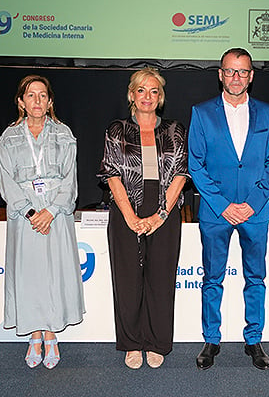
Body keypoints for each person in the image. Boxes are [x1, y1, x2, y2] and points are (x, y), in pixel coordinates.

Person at [188, 48, 269, 370]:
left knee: (255, 278)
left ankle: (254, 340)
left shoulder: (268, 113)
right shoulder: (201, 113)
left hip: (255, 213)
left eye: (242, 71)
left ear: (251, 76)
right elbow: (196, 165)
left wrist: (252, 203)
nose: (236, 77)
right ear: (220, 74)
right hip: (216, 213)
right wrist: (223, 205)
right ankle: (211, 340)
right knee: (212, 278)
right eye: (230, 71)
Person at [99, 68, 188, 370]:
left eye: (154, 91)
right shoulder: (116, 129)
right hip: (126, 204)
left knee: (160, 280)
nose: (147, 96)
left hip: (165, 206)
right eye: (141, 90)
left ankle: (157, 342)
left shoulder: (175, 129)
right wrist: (130, 216)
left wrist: (160, 215)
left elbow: (180, 174)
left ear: (160, 97)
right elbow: (111, 173)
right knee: (127, 280)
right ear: (132, 95)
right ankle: (132, 343)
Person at [0, 74, 85, 369]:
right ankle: (35, 335)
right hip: (25, 219)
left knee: (54, 275)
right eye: (31, 96)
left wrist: (52, 210)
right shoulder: (8, 138)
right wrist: (32, 213)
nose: (37, 101)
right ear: (21, 102)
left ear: (50, 102)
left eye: (43, 95)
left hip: (56, 216)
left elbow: (70, 179)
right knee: (30, 276)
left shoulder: (64, 134)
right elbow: (7, 182)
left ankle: (51, 333)